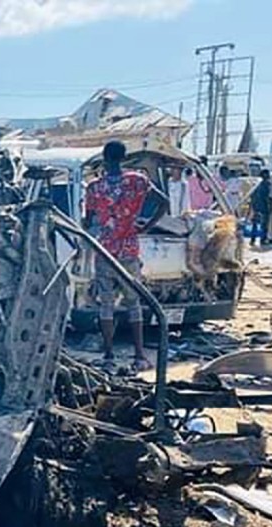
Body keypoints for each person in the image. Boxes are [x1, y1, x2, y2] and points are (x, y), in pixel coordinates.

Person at [85, 140, 161, 371]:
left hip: (105, 250)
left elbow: (88, 221)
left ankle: (109, 355)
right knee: (133, 303)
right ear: (124, 157)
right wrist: (145, 226)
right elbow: (163, 203)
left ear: (104, 158)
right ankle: (139, 356)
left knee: (106, 304)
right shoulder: (137, 181)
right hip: (129, 248)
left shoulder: (95, 188)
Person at [249, 169, 272, 246]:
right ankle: (263, 239)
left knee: (255, 224)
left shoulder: (256, 184)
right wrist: (269, 205)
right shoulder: (266, 184)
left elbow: (252, 195)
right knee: (264, 225)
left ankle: (253, 239)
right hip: (263, 206)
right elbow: (266, 196)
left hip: (256, 206)